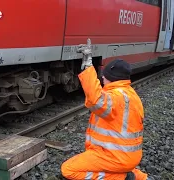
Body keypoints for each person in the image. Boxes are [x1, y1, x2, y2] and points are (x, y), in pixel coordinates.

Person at [60, 39, 153, 180]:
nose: (102, 77)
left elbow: (95, 101)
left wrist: (88, 66)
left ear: (112, 78)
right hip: (125, 155)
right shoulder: (129, 94)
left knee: (68, 170)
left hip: (115, 156)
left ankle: (124, 178)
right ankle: (138, 176)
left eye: (105, 75)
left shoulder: (117, 97)